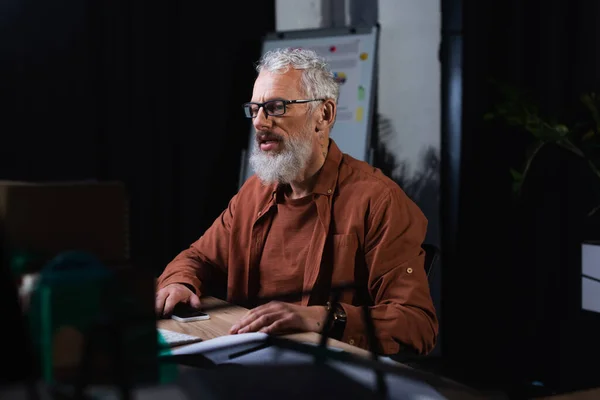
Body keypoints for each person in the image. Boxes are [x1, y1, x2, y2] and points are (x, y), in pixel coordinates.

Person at [155, 47, 438, 355]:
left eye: (276, 107)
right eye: (255, 108)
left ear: (324, 115)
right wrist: (180, 283)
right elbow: (198, 258)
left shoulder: (377, 200)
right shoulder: (254, 193)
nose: (260, 123)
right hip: (248, 363)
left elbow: (417, 323)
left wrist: (322, 317)